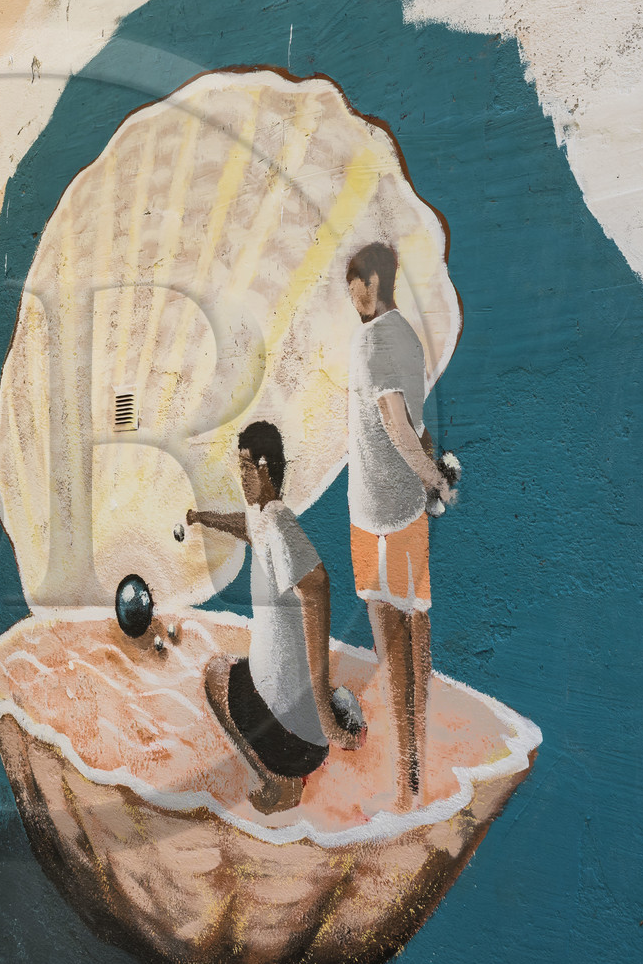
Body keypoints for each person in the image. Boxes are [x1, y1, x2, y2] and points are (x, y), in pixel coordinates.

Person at [188, 421, 362, 814]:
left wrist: (322, 708)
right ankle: (302, 749)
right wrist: (203, 517)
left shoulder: (280, 524)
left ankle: (277, 780)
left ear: (265, 467)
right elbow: (245, 526)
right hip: (299, 735)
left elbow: (317, 586)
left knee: (216, 675)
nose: (242, 476)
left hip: (292, 742)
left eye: (246, 468)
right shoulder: (264, 519)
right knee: (243, 667)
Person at [344, 242, 456, 811]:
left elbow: (393, 423)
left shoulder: (372, 342)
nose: (350, 294)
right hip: (408, 514)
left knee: (393, 650)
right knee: (417, 638)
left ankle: (405, 785)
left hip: (375, 516)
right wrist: (432, 475)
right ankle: (415, 775)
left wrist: (432, 479)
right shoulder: (409, 337)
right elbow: (415, 422)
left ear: (370, 282)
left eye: (352, 283)